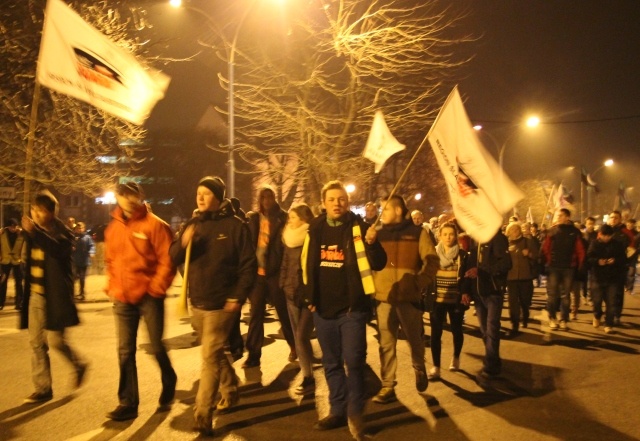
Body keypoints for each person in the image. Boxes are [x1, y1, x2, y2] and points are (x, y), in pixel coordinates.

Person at [170, 176, 256, 436]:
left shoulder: (235, 226)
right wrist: (183, 241)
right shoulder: (193, 224)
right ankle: (230, 389)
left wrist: (237, 297)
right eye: (198, 192)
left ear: (218, 197)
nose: (200, 197)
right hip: (198, 302)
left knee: (208, 358)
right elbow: (173, 256)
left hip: (222, 304)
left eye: (206, 193)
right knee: (214, 354)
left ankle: (203, 414)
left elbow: (248, 266)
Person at [301, 180, 386, 440]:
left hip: (352, 308)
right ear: (323, 204)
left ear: (347, 203)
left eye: (341, 199)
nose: (337, 203)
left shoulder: (359, 227)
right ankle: (337, 410)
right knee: (330, 363)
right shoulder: (315, 228)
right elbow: (305, 265)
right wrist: (309, 297)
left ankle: (355, 413)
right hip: (323, 309)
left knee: (354, 361)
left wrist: (372, 243)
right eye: (332, 199)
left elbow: (379, 263)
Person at [104, 182, 177, 421]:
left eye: (131, 194)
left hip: (149, 296)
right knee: (125, 351)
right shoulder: (113, 228)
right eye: (122, 195)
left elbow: (168, 260)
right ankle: (128, 402)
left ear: (139, 196)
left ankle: (169, 379)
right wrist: (112, 285)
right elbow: (110, 260)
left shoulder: (155, 225)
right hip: (123, 298)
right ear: (117, 197)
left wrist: (155, 287)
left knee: (156, 346)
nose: (127, 199)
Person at [20, 190, 88, 403]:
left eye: (40, 211)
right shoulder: (33, 234)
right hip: (36, 294)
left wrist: (34, 233)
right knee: (37, 343)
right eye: (34, 210)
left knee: (57, 341)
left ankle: (78, 364)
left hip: (55, 296)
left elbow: (56, 249)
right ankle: (43, 388)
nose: (36, 215)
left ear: (51, 212)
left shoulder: (63, 234)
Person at [371, 195, 437, 403]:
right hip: (384, 296)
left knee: (414, 339)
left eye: (385, 209)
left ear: (398, 210)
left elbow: (432, 261)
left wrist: (418, 283)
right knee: (386, 343)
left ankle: (419, 366)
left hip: (408, 297)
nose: (382, 214)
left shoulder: (418, 233)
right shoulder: (378, 234)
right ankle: (387, 385)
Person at [244, 185, 296, 368]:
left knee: (283, 313)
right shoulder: (253, 219)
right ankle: (253, 355)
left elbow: (286, 247)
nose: (267, 200)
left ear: (274, 199)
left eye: (270, 197)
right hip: (257, 275)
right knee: (255, 316)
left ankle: (295, 345)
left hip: (274, 273)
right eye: (263, 197)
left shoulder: (282, 218)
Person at [279, 203, 316, 395]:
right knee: (298, 336)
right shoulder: (288, 238)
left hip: (308, 296)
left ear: (303, 218)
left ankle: (309, 375)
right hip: (290, 293)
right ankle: (307, 375)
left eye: (293, 217)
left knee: (302, 336)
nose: (289, 220)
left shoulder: (312, 237)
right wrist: (283, 284)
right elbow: (285, 263)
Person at [466, 230, 511, 387]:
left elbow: (506, 263)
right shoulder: (475, 238)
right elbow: (471, 263)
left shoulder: (498, 238)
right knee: (485, 331)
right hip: (478, 293)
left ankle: (491, 366)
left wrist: (482, 271)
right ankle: (494, 360)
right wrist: (467, 291)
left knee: (492, 329)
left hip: (492, 292)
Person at [427, 222, 471, 380]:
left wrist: (465, 292)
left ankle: (456, 357)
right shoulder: (433, 254)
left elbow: (466, 277)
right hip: (437, 299)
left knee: (456, 329)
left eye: (451, 234)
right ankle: (436, 367)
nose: (448, 237)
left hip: (456, 299)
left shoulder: (463, 255)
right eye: (445, 234)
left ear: (456, 236)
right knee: (435, 333)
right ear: (439, 235)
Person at [541, 208, 585, 331]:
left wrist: (580, 265)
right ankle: (552, 318)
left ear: (567, 217)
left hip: (569, 268)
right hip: (554, 267)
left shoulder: (574, 232)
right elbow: (545, 248)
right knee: (552, 295)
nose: (558, 217)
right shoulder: (552, 231)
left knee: (566, 295)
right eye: (557, 215)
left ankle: (564, 319)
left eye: (560, 215)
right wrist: (547, 262)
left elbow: (580, 250)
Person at [586, 224, 626, 334]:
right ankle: (597, 315)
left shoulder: (617, 245)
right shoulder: (594, 244)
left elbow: (623, 258)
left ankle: (609, 324)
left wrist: (615, 261)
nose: (606, 238)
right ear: (600, 234)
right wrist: (598, 261)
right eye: (604, 235)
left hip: (613, 278)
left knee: (611, 302)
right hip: (597, 277)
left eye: (609, 236)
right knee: (597, 301)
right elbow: (589, 257)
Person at [504, 221, 538, 338]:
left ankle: (525, 315)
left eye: (516, 229)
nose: (514, 232)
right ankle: (515, 324)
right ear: (508, 232)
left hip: (525, 277)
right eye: (511, 230)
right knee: (513, 303)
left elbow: (537, 256)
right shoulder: (506, 244)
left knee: (525, 301)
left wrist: (529, 254)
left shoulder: (527, 242)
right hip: (511, 278)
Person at [606, 210, 634, 325]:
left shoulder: (626, 232)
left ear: (620, 219)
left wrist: (623, 261)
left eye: (616, 218)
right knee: (605, 293)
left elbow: (631, 249)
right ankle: (608, 314)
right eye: (611, 217)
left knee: (617, 293)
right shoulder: (604, 231)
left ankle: (616, 315)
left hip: (619, 268)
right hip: (604, 267)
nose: (613, 219)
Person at [0, 218, 26, 310]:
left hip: (17, 261)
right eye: (11, 227)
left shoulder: (21, 234)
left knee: (19, 283)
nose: (13, 228)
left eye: (14, 226)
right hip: (5, 260)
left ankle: (19, 302)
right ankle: (1, 302)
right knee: (3, 282)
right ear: (7, 227)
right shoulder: (2, 234)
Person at [72, 221, 95, 301]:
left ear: (84, 228)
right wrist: (72, 248)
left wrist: (91, 252)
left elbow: (91, 246)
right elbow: (70, 244)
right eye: (78, 228)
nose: (80, 230)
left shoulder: (87, 238)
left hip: (84, 261)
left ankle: (82, 293)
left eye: (81, 228)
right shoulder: (73, 237)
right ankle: (72, 293)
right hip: (75, 261)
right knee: (74, 278)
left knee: (82, 278)